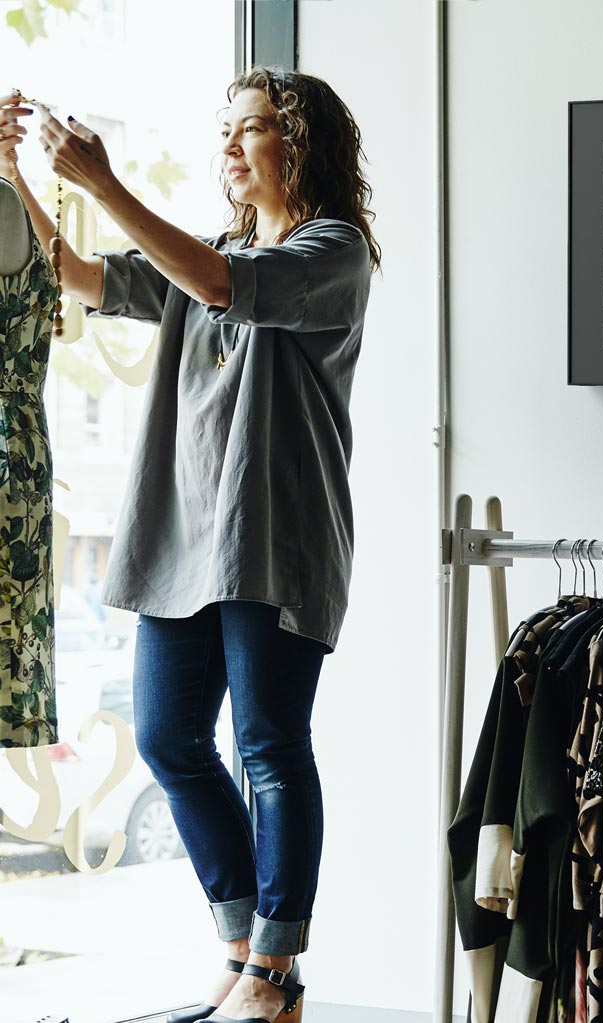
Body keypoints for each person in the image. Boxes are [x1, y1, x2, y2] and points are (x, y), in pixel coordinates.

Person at [0, 66, 379, 1022]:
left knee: (268, 745)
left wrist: (104, 185)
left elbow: (224, 285)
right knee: (170, 736)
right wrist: (21, 176)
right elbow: (81, 280)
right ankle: (245, 945)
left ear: (300, 142)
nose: (227, 147)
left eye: (247, 128)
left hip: (276, 534)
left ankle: (278, 971)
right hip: (185, 538)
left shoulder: (333, 252)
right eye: (224, 131)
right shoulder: (201, 251)